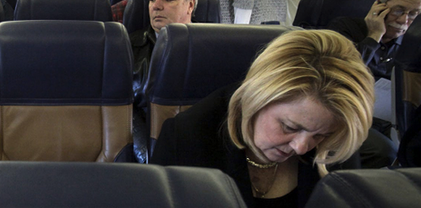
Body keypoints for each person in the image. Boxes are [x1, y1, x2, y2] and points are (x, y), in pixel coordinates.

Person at [150, 30, 375, 208]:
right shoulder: (187, 139)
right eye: (289, 127)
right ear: (255, 99)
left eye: (320, 135)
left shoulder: (336, 144)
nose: (301, 148)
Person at [328, 0, 421, 167]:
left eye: (413, 14)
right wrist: (374, 35)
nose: (404, 21)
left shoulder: (411, 43)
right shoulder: (344, 27)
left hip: (389, 118)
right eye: (398, 11)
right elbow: (341, 73)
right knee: (385, 151)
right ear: (379, 7)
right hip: (346, 111)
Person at [130, 0, 197, 163]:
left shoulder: (215, 48)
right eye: (152, 0)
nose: (156, 6)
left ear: (190, 5)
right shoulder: (127, 47)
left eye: (168, 0)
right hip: (143, 149)